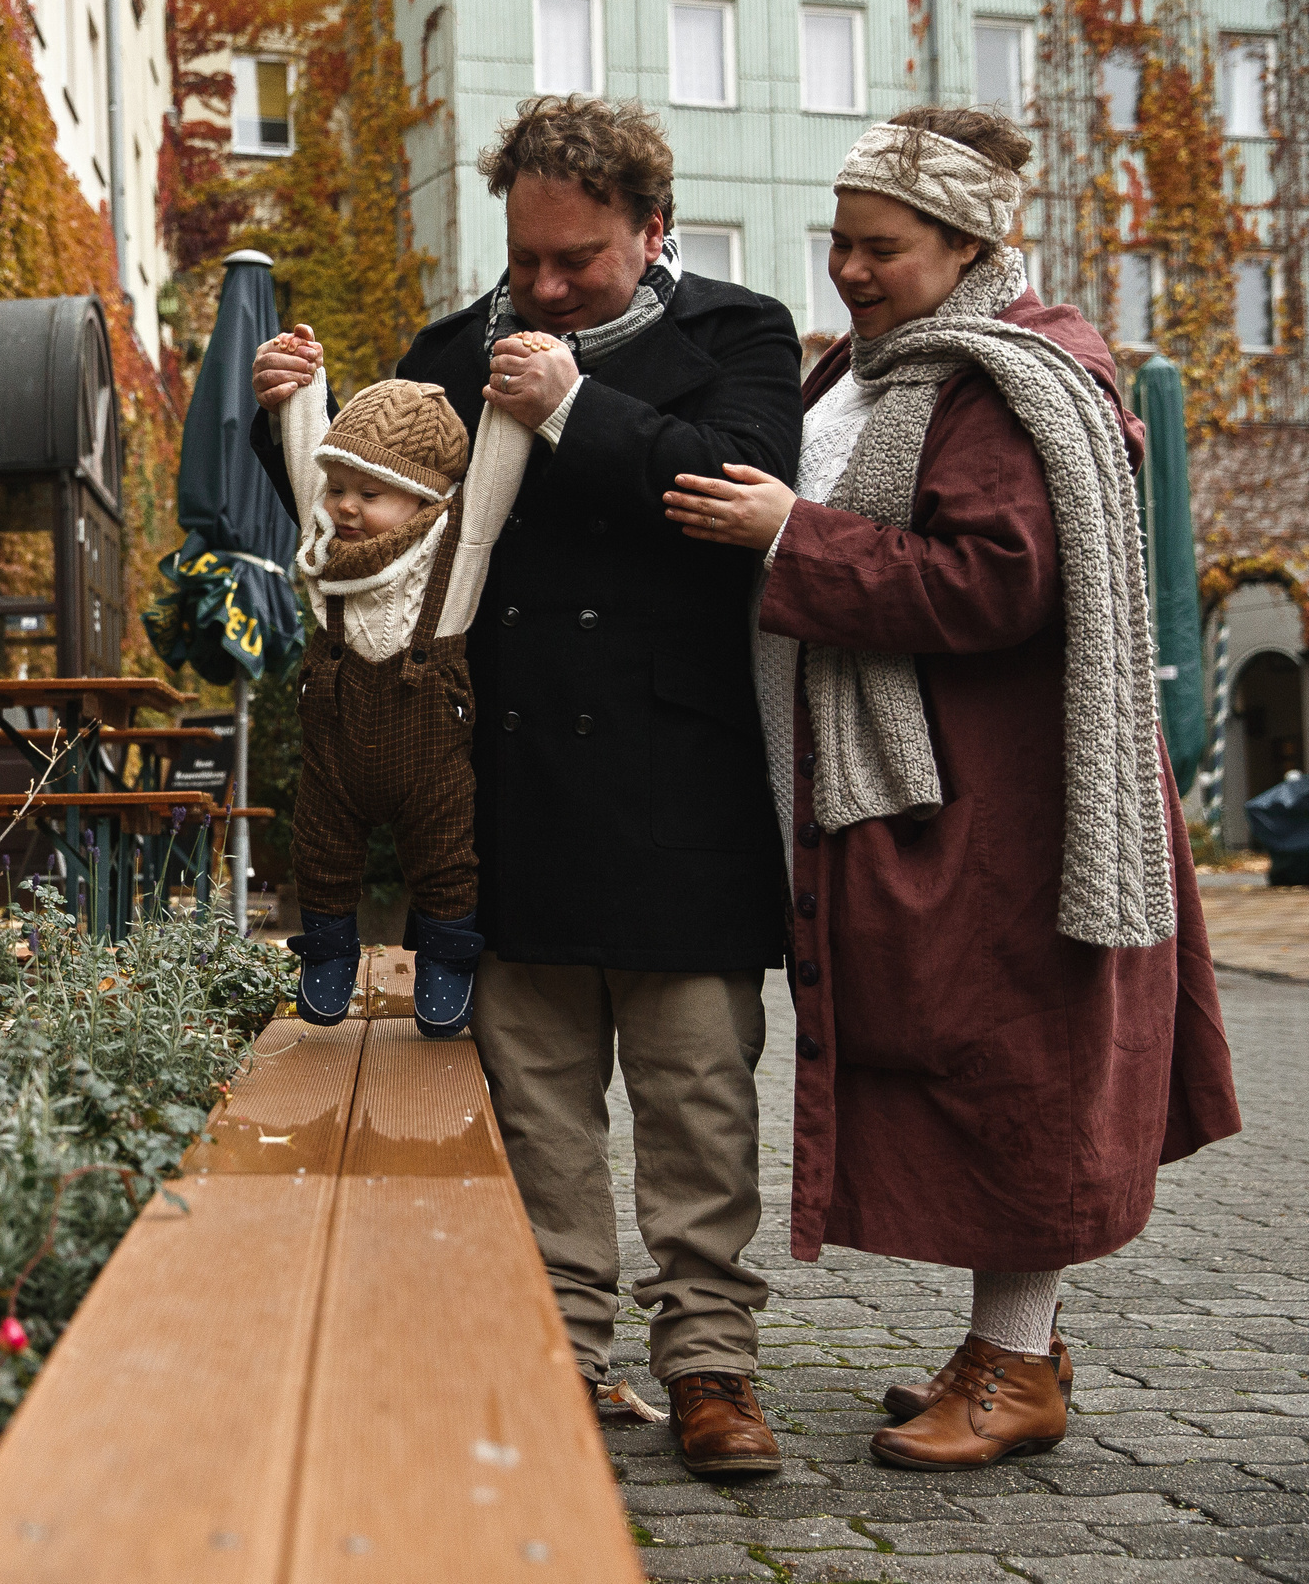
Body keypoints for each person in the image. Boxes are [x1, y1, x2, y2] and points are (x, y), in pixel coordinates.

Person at [665, 106, 1243, 1471]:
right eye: (840, 244)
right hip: (927, 787)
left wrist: (789, 534)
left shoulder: (1010, 382)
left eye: (884, 248)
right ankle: (1008, 1347)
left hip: (1011, 804)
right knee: (969, 1059)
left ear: (971, 242)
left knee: (1019, 1068)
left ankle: (1021, 1361)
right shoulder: (886, 369)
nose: (852, 272)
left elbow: (997, 580)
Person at [251, 96, 802, 1478]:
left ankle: (712, 1364)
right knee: (542, 1104)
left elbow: (734, 493)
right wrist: (291, 424)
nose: (543, 288)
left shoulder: (740, 334)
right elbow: (374, 537)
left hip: (684, 791)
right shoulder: (450, 352)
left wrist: (573, 406)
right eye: (527, 261)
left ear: (652, 234)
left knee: (697, 1097)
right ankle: (561, 1345)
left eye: (580, 261)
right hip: (509, 786)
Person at [273, 376, 531, 1036]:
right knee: (319, 850)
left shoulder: (456, 546)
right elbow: (309, 462)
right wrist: (304, 386)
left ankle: (445, 961)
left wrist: (510, 395)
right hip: (336, 752)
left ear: (426, 495)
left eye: (369, 492)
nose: (345, 506)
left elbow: (496, 472)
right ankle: (328, 950)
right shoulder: (325, 547)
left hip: (430, 755)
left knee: (448, 855)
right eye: (339, 489)